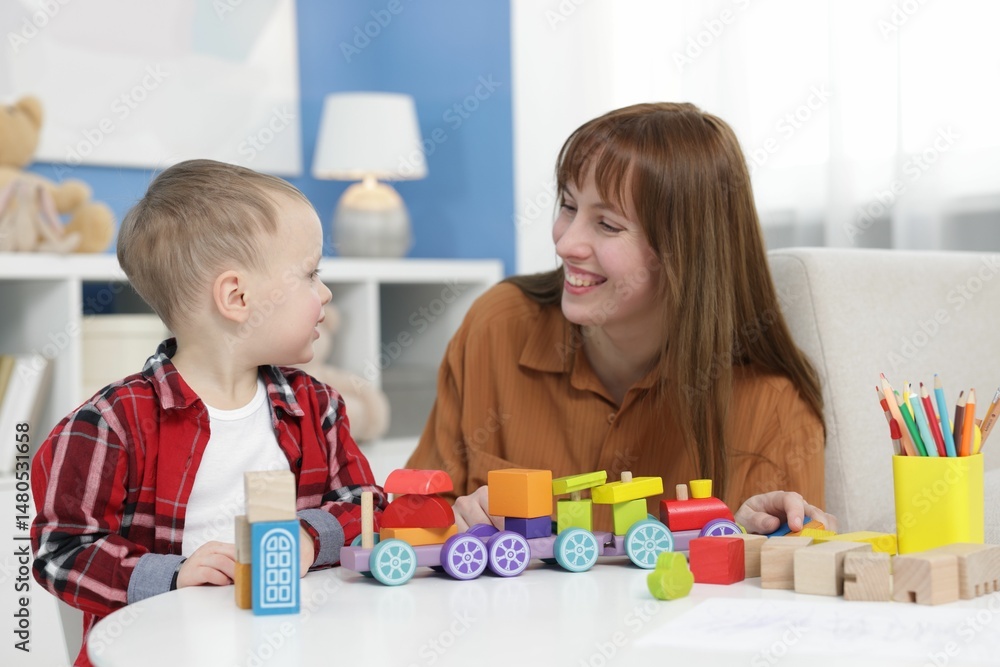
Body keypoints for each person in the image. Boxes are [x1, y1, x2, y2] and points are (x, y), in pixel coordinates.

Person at [406, 102, 835, 536]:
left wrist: (745, 541)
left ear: (685, 253)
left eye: (607, 225)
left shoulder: (773, 410)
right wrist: (448, 520)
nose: (566, 243)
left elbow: (782, 581)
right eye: (569, 206)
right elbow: (408, 517)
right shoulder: (496, 329)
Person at [31, 160, 386, 667]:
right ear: (237, 297)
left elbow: (367, 503)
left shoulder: (317, 406)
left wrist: (309, 537)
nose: (325, 293)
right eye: (311, 273)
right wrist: (172, 575)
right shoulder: (110, 424)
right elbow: (60, 552)